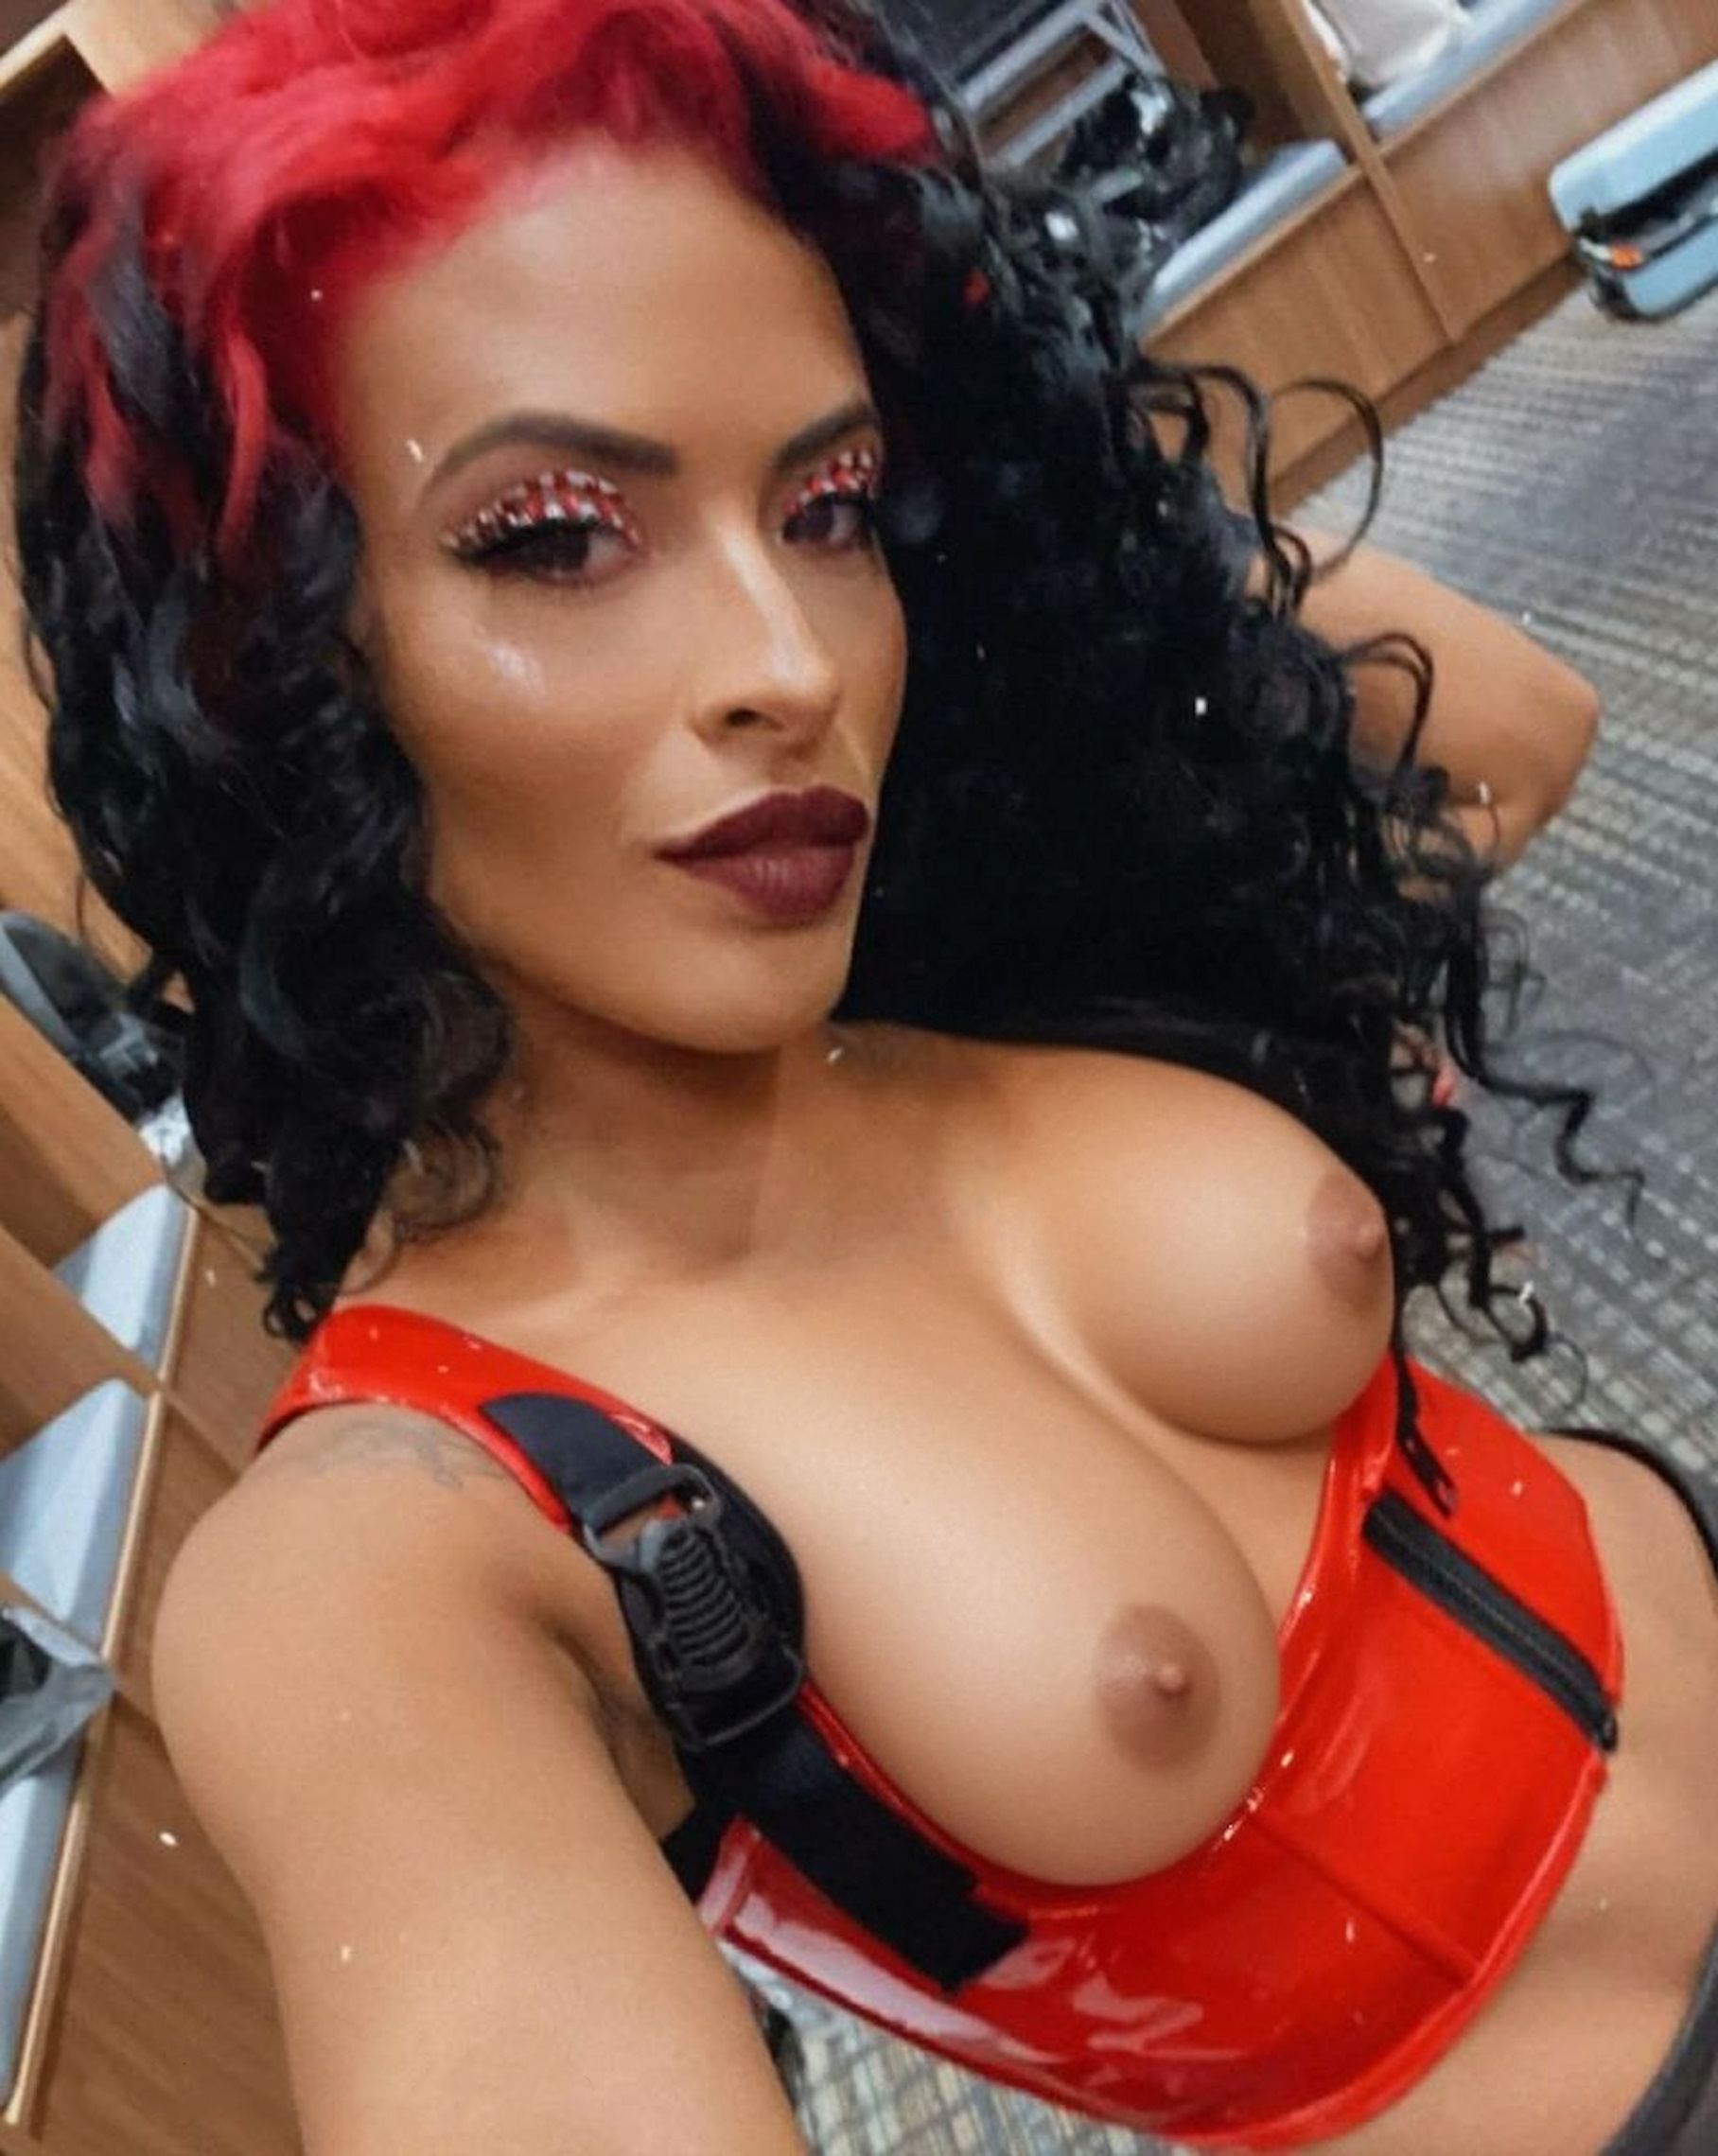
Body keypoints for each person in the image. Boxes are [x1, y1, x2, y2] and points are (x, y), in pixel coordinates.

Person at [11, 2, 1712, 2151]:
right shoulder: (393, 1546)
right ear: (274, 660)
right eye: (555, 535)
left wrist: (1050, 479)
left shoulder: (959, 962)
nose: (790, 663)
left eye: (825, 506)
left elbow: (1516, 728)